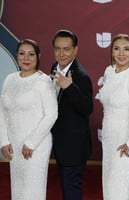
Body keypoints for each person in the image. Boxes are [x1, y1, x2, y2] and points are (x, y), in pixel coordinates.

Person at [0, 39, 58, 200]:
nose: (26, 58)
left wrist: (31, 142)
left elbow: (51, 114)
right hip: (14, 143)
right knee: (17, 189)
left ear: (38, 57)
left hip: (36, 145)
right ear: (17, 56)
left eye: (31, 54)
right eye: (22, 53)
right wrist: (4, 140)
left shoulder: (44, 81)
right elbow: (3, 112)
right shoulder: (10, 79)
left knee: (32, 191)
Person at [95, 34, 129, 200]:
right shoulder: (109, 71)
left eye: (126, 49)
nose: (121, 53)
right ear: (111, 52)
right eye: (117, 48)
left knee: (121, 188)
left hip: (125, 140)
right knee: (109, 184)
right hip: (109, 138)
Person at [50, 30, 93, 200]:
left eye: (66, 49)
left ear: (75, 50)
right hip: (59, 144)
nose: (61, 53)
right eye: (57, 49)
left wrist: (69, 88)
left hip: (74, 147)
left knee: (72, 192)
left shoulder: (81, 76)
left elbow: (88, 108)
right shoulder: (55, 67)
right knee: (66, 189)